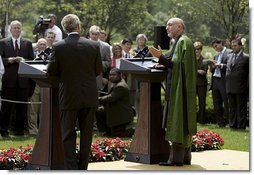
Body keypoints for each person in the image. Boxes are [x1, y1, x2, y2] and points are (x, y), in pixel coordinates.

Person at [46, 14, 102, 170]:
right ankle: (83, 167)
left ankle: (71, 169)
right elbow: (98, 70)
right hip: (89, 96)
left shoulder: (58, 47)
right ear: (79, 27)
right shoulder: (93, 45)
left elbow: (51, 71)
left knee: (68, 135)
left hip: (69, 96)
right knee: (86, 135)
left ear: (64, 29)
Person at [149, 17, 197, 166]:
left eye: (170, 25)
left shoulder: (183, 42)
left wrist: (159, 57)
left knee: (178, 121)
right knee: (182, 122)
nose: (167, 28)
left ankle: (175, 159)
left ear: (179, 27)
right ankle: (185, 157)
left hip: (179, 91)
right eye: (167, 25)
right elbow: (174, 64)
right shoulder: (180, 42)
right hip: (179, 89)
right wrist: (163, 63)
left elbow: (174, 64)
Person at [0, 20, 34, 138]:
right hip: (8, 80)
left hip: (23, 80)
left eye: (19, 28)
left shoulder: (27, 43)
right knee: (6, 107)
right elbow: (0, 59)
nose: (17, 30)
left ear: (21, 29)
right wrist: (8, 60)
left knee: (21, 108)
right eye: (15, 28)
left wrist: (24, 60)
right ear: (10, 29)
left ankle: (19, 131)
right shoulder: (3, 43)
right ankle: (4, 131)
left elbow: (32, 60)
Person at [97, 68, 134, 137]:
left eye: (114, 75)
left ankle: (133, 131)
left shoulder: (120, 86)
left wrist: (98, 99)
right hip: (116, 111)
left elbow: (111, 97)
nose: (111, 76)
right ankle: (106, 130)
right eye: (110, 75)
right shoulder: (117, 83)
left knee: (116, 135)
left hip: (121, 115)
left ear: (120, 75)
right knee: (99, 111)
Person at [226, 39, 249, 130]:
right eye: (232, 45)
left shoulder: (246, 58)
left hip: (241, 87)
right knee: (232, 108)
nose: (233, 47)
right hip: (230, 86)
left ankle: (241, 126)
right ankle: (232, 125)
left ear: (240, 46)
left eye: (235, 45)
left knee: (241, 108)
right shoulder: (229, 56)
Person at [28, 38, 48, 136]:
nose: (42, 46)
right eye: (41, 44)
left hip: (45, 84)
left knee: (43, 108)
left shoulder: (49, 55)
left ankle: (43, 129)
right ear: (37, 45)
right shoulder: (32, 55)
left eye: (44, 44)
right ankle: (33, 130)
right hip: (34, 84)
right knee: (33, 107)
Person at [210, 38, 232, 127]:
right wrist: (212, 66)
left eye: (216, 46)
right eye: (214, 47)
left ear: (221, 44)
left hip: (224, 81)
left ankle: (229, 121)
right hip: (215, 80)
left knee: (226, 102)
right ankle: (220, 122)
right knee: (217, 102)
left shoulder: (229, 53)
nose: (216, 48)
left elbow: (231, 66)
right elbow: (213, 70)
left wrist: (221, 65)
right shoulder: (216, 56)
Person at [194, 41, 208, 124]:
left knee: (202, 103)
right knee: (192, 103)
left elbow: (204, 72)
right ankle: (193, 120)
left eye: (198, 49)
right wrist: (198, 71)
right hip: (192, 84)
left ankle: (202, 121)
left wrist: (195, 70)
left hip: (202, 84)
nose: (196, 51)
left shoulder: (204, 60)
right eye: (195, 49)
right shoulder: (190, 60)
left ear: (201, 49)